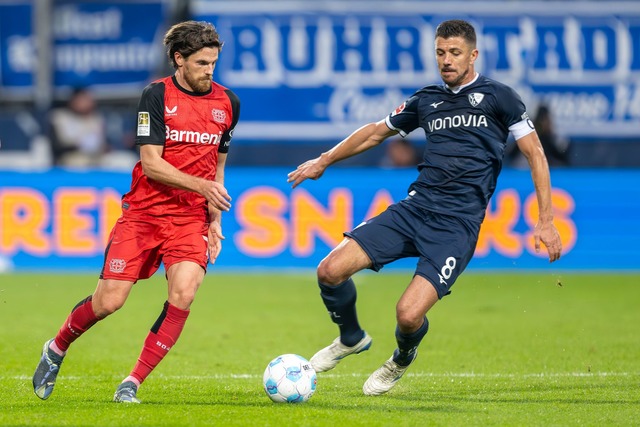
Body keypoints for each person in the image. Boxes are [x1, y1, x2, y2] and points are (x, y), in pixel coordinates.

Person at [287, 19, 562, 396]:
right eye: (440, 52)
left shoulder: (501, 98)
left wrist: (545, 220)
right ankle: (350, 337)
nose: (446, 60)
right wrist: (324, 159)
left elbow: (536, 154)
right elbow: (374, 131)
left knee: (408, 314)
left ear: (473, 55)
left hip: (457, 226)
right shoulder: (427, 99)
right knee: (330, 270)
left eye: (455, 53)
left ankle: (402, 357)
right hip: (414, 210)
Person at [32, 20, 240, 404]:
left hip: (189, 218)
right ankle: (57, 346)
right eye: (201, 63)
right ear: (179, 59)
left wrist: (214, 219)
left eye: (214, 62)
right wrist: (203, 186)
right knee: (109, 302)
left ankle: (132, 382)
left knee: (185, 292)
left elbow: (218, 166)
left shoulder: (228, 103)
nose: (210, 70)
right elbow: (151, 163)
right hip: (144, 215)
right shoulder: (156, 95)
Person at [48, 87, 109, 167]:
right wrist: (79, 145)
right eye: (82, 100)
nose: (86, 103)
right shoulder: (59, 117)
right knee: (80, 162)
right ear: (73, 101)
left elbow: (104, 144)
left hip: (96, 158)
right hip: (70, 158)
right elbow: (57, 146)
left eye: (88, 100)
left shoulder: (97, 119)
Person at [506, 104, 571, 168]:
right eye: (546, 120)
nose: (549, 123)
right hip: (525, 170)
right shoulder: (530, 135)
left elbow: (558, 156)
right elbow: (512, 154)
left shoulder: (545, 137)